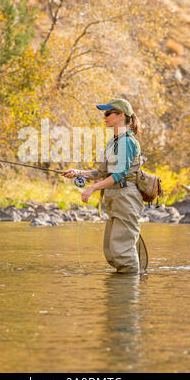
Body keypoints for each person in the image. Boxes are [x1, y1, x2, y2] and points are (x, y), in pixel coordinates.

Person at [62, 98, 144, 274]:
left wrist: (92, 188)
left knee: (122, 251)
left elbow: (120, 174)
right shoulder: (114, 142)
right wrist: (78, 173)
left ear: (121, 115)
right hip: (116, 197)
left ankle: (128, 294)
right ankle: (120, 292)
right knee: (113, 251)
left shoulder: (127, 141)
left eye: (108, 113)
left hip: (126, 196)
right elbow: (101, 173)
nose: (104, 117)